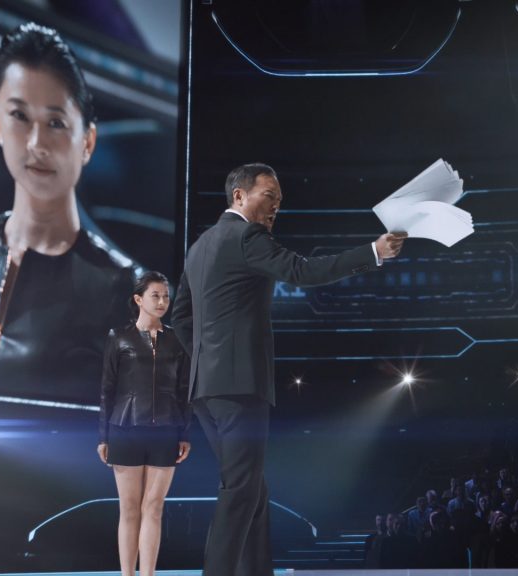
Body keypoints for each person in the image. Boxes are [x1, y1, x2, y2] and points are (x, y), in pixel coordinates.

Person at [172, 162, 405, 575]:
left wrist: (208, 361)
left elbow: (180, 318)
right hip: (239, 387)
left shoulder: (200, 246)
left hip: (205, 391)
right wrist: (373, 252)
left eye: (279, 200)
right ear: (239, 196)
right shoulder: (248, 236)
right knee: (240, 489)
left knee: (252, 489)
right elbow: (302, 270)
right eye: (269, 196)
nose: (276, 206)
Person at [0, 22, 136, 401]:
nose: (36, 143)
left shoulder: (120, 286)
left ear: (87, 141)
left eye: (55, 123)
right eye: (19, 116)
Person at [98, 271, 191, 576]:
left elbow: (183, 390)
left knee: (154, 506)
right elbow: (107, 389)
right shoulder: (118, 337)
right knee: (129, 508)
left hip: (166, 431)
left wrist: (184, 432)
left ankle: (148, 574)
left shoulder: (177, 339)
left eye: (166, 296)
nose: (162, 301)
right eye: (156, 295)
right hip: (124, 429)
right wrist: (103, 436)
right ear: (138, 299)